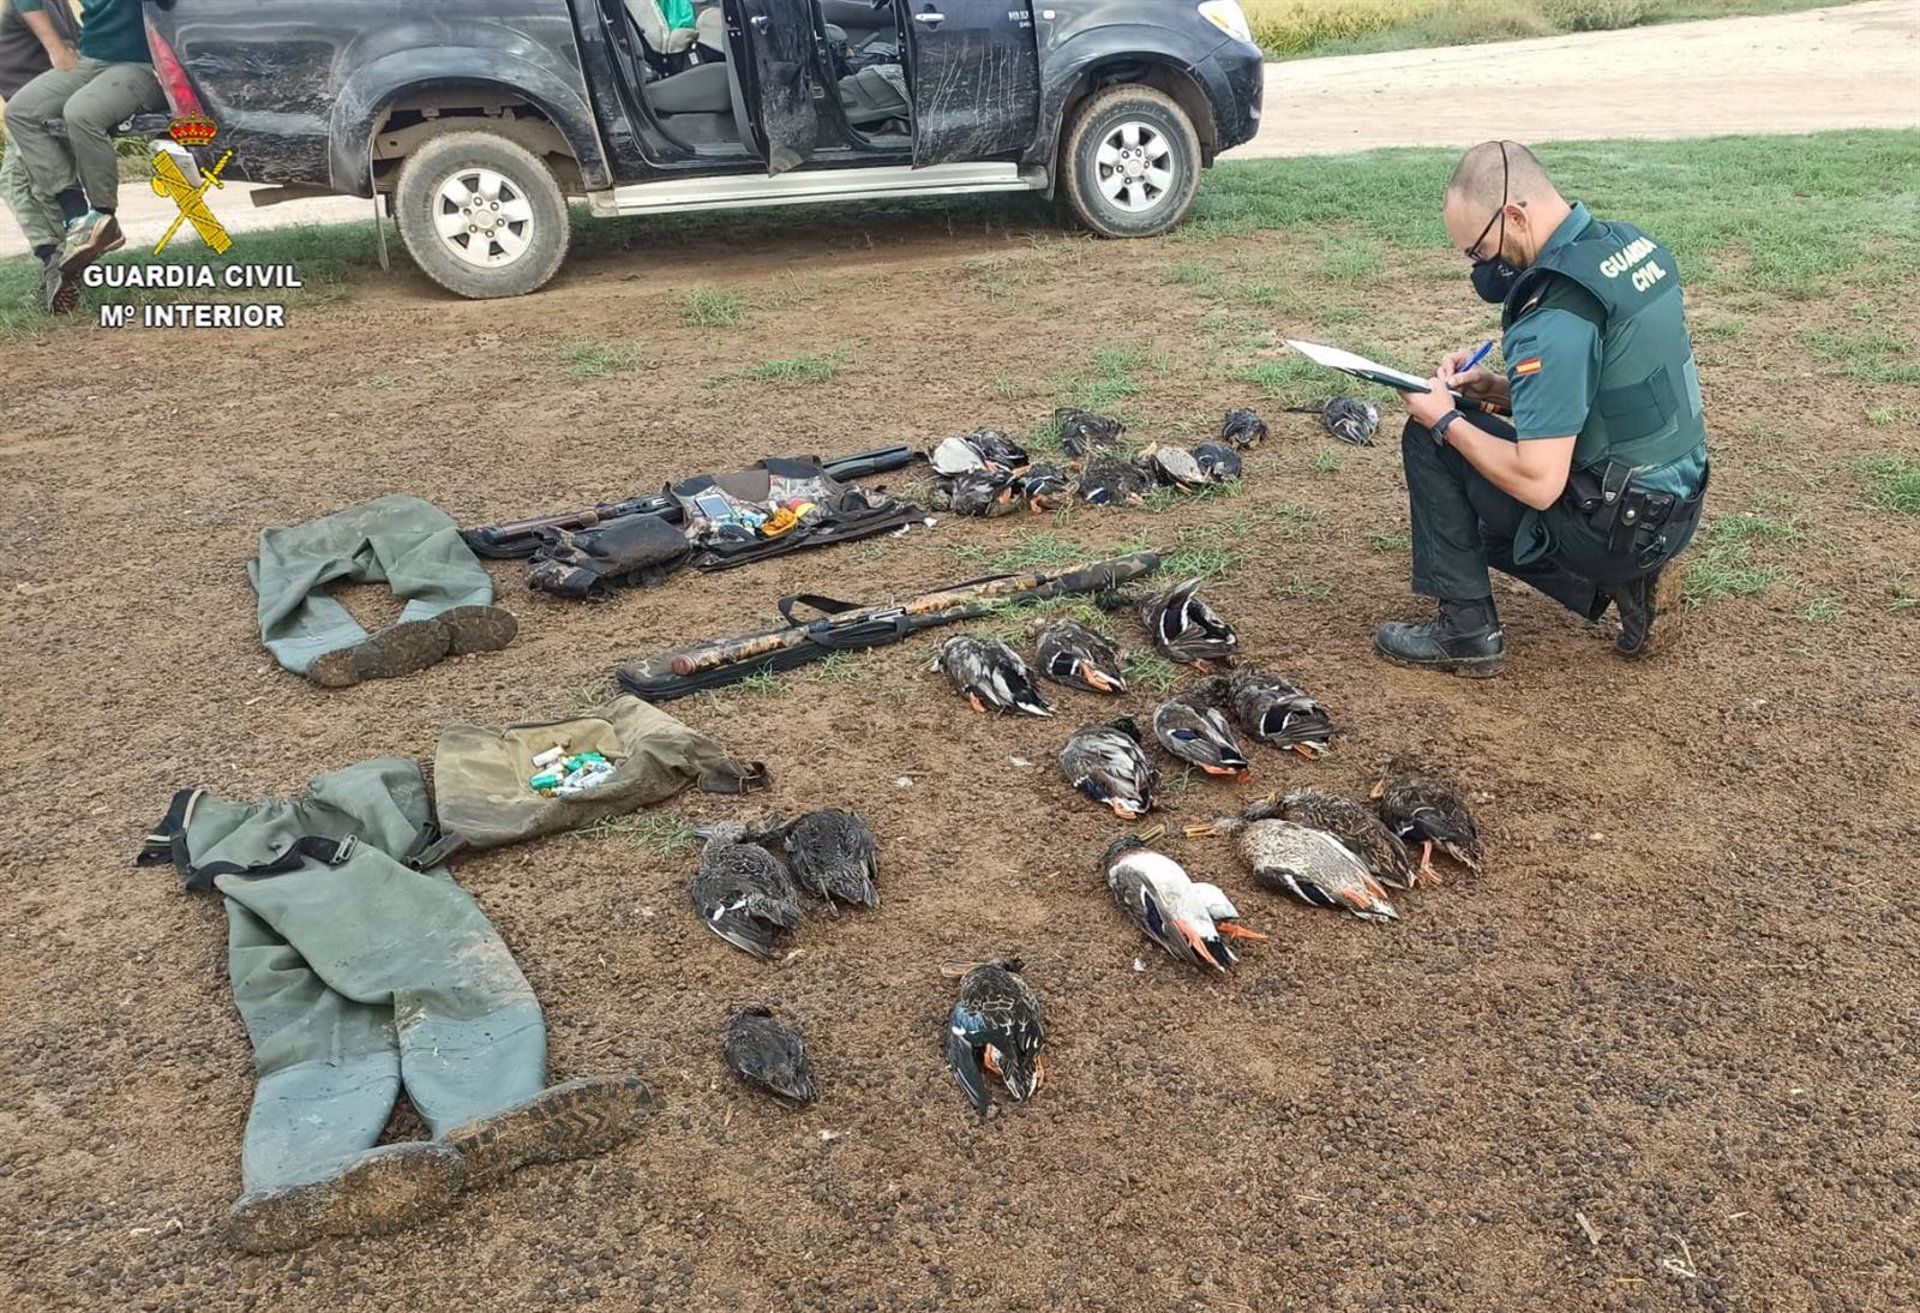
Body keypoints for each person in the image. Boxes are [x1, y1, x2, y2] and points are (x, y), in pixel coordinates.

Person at [1375, 140, 1709, 675]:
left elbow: (1537, 483)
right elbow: (1602, 392)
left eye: (1478, 251)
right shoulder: (1631, 249)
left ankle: (1466, 631)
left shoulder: (1552, 315)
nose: (1479, 266)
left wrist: (1443, 417)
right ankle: (1634, 578)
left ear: (1513, 215)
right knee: (1465, 434)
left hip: (1617, 523)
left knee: (1432, 444)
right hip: (1673, 504)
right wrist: (1492, 389)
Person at [3, 0, 164, 312]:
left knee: (81, 113)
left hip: (143, 66)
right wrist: (55, 46)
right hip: (93, 61)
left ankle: (104, 218)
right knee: (21, 112)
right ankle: (77, 217)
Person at [0, 0, 80, 273]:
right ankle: (53, 257)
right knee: (13, 182)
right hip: (25, 102)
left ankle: (71, 256)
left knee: (43, 188)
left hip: (34, 104)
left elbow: (67, 43)